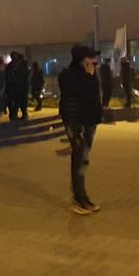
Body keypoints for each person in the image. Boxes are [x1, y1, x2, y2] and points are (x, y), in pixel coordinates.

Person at [59, 46, 103, 214]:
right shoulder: (68, 76)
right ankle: (79, 198)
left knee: (83, 159)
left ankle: (81, 195)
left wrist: (90, 76)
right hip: (77, 124)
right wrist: (74, 129)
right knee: (80, 159)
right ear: (82, 60)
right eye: (91, 58)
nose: (94, 61)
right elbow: (74, 98)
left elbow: (93, 96)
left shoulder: (90, 75)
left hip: (90, 122)